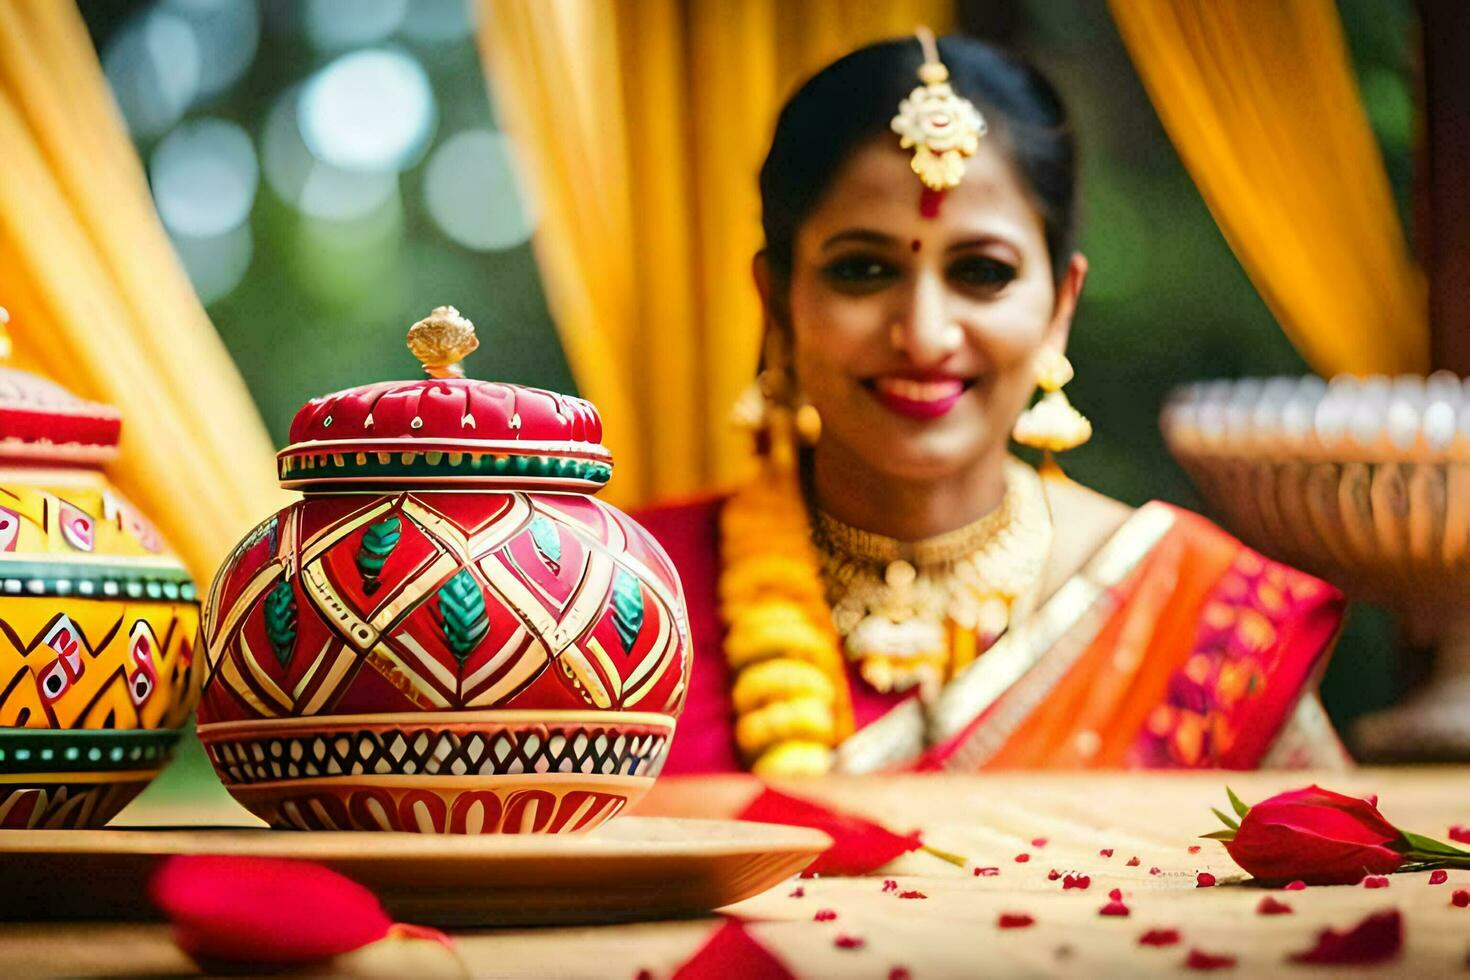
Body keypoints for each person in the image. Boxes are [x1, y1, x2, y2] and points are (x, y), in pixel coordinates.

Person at [637, 31, 1347, 777]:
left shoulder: (1194, 615)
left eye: (981, 271)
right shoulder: (629, 601)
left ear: (1060, 306)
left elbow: (1341, 886)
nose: (924, 334)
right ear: (777, 300)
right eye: (862, 269)